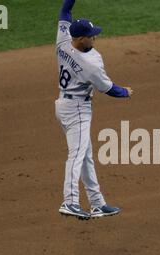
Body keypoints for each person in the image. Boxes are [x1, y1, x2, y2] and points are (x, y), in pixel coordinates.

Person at [55, 0, 133, 220]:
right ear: (80, 39)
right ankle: (69, 201)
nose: (94, 37)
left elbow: (65, 10)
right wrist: (126, 91)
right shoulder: (90, 64)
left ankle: (97, 203)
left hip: (64, 105)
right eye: (90, 35)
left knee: (86, 155)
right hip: (77, 109)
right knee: (77, 155)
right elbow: (110, 90)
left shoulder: (63, 39)